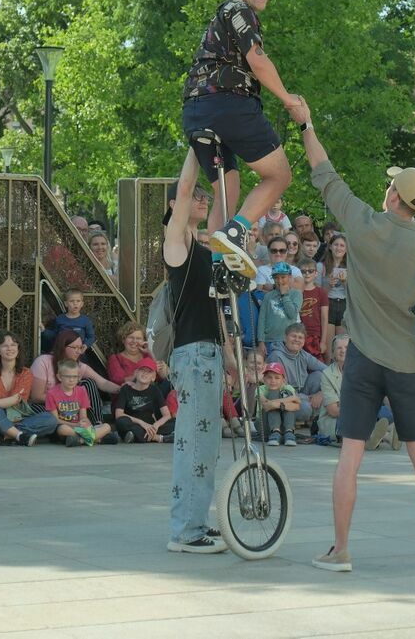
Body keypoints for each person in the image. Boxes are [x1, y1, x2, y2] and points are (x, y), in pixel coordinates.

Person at [292, 101, 415, 573]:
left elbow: (324, 173)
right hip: (408, 362)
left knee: (350, 454)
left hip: (363, 357)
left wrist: (307, 123)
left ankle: (341, 550)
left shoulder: (363, 225)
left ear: (392, 195)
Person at [183, 0, 304, 278]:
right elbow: (258, 59)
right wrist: (288, 100)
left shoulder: (220, 18)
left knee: (227, 192)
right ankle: (235, 232)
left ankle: (220, 269)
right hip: (228, 104)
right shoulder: (238, 10)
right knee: (279, 176)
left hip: (195, 111)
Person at [159, 151, 229, 553]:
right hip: (193, 355)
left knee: (206, 445)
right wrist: (195, 148)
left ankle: (196, 522)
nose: (201, 201)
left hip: (210, 353)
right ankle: (186, 532)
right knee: (194, 443)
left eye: (206, 198)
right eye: (195, 198)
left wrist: (231, 358)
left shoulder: (204, 251)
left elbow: (214, 309)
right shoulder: (177, 245)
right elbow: (185, 188)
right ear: (175, 207)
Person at [0, 332, 58, 446]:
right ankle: (19, 436)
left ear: (18, 350)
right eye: (5, 346)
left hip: (17, 417)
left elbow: (17, 398)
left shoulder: (26, 373)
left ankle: (5, 435)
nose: (10, 348)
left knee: (50, 419)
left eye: (13, 345)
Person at [29, 330, 117, 424]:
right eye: (75, 348)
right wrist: (65, 400)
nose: (79, 352)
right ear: (63, 347)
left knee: (88, 382)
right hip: (47, 406)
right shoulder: (43, 362)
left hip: (71, 409)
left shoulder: (78, 366)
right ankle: (70, 432)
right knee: (40, 411)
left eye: (80, 348)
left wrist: (123, 388)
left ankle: (97, 423)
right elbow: (36, 397)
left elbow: (103, 383)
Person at [48, 358, 115, 447]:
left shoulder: (81, 391)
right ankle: (97, 439)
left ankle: (81, 440)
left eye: (74, 377)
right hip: (66, 426)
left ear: (79, 377)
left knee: (107, 426)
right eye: (68, 376)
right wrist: (76, 425)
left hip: (80, 428)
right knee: (62, 429)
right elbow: (55, 420)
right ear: (59, 377)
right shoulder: (52, 393)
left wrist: (85, 423)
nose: (71, 380)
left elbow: (83, 416)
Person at [114, 358, 174, 444]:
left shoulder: (155, 390)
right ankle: (155, 437)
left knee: (174, 423)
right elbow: (119, 414)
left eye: (149, 372)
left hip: (150, 425)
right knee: (121, 421)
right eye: (142, 370)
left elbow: (167, 415)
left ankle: (138, 437)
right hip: (134, 424)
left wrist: (156, 425)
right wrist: (142, 423)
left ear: (153, 377)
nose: (145, 373)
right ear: (136, 373)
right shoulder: (126, 389)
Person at [257, 262, 302, 347]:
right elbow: (262, 319)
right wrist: (261, 341)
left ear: (289, 277)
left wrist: (284, 295)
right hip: (269, 340)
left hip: (288, 341)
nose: (280, 281)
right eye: (276, 278)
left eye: (283, 277)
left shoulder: (296, 294)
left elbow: (292, 314)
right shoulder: (268, 296)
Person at [258, 362, 301, 447]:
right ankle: (275, 431)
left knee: (286, 393)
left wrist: (277, 404)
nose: (273, 381)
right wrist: (287, 402)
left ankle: (289, 432)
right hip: (265, 425)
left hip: (284, 425)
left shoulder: (288, 388)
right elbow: (267, 406)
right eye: (269, 377)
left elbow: (297, 405)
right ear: (264, 379)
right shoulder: (260, 389)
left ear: (283, 380)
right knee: (273, 393)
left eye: (277, 378)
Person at [317, 335, 349, 442]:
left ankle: (375, 436)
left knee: (385, 414)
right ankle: (384, 436)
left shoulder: (361, 371)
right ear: (333, 352)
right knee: (348, 423)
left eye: (347, 348)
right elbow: (333, 411)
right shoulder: (327, 374)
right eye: (339, 348)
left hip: (358, 413)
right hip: (335, 419)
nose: (343, 351)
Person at [298, 259, 331, 359]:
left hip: (315, 335)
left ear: (316, 273)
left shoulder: (321, 292)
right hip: (298, 333)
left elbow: (324, 318)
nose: (307, 274)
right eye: (303, 271)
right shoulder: (295, 292)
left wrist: (323, 341)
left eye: (310, 271)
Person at [322, 233, 349, 328]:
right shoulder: (321, 266)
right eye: (336, 244)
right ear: (330, 247)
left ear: (346, 249)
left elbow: (354, 294)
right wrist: (329, 285)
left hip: (344, 304)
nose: (339, 248)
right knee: (329, 340)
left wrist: (344, 282)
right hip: (328, 303)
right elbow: (318, 294)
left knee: (341, 340)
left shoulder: (351, 268)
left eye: (342, 245)